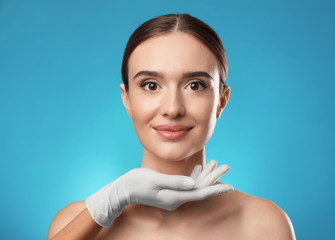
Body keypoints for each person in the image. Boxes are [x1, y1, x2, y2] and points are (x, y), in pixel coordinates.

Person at [47, 13, 296, 240]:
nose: (173, 108)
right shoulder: (77, 223)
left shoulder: (264, 226)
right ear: (127, 99)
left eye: (195, 85)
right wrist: (106, 204)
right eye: (151, 85)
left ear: (221, 101)